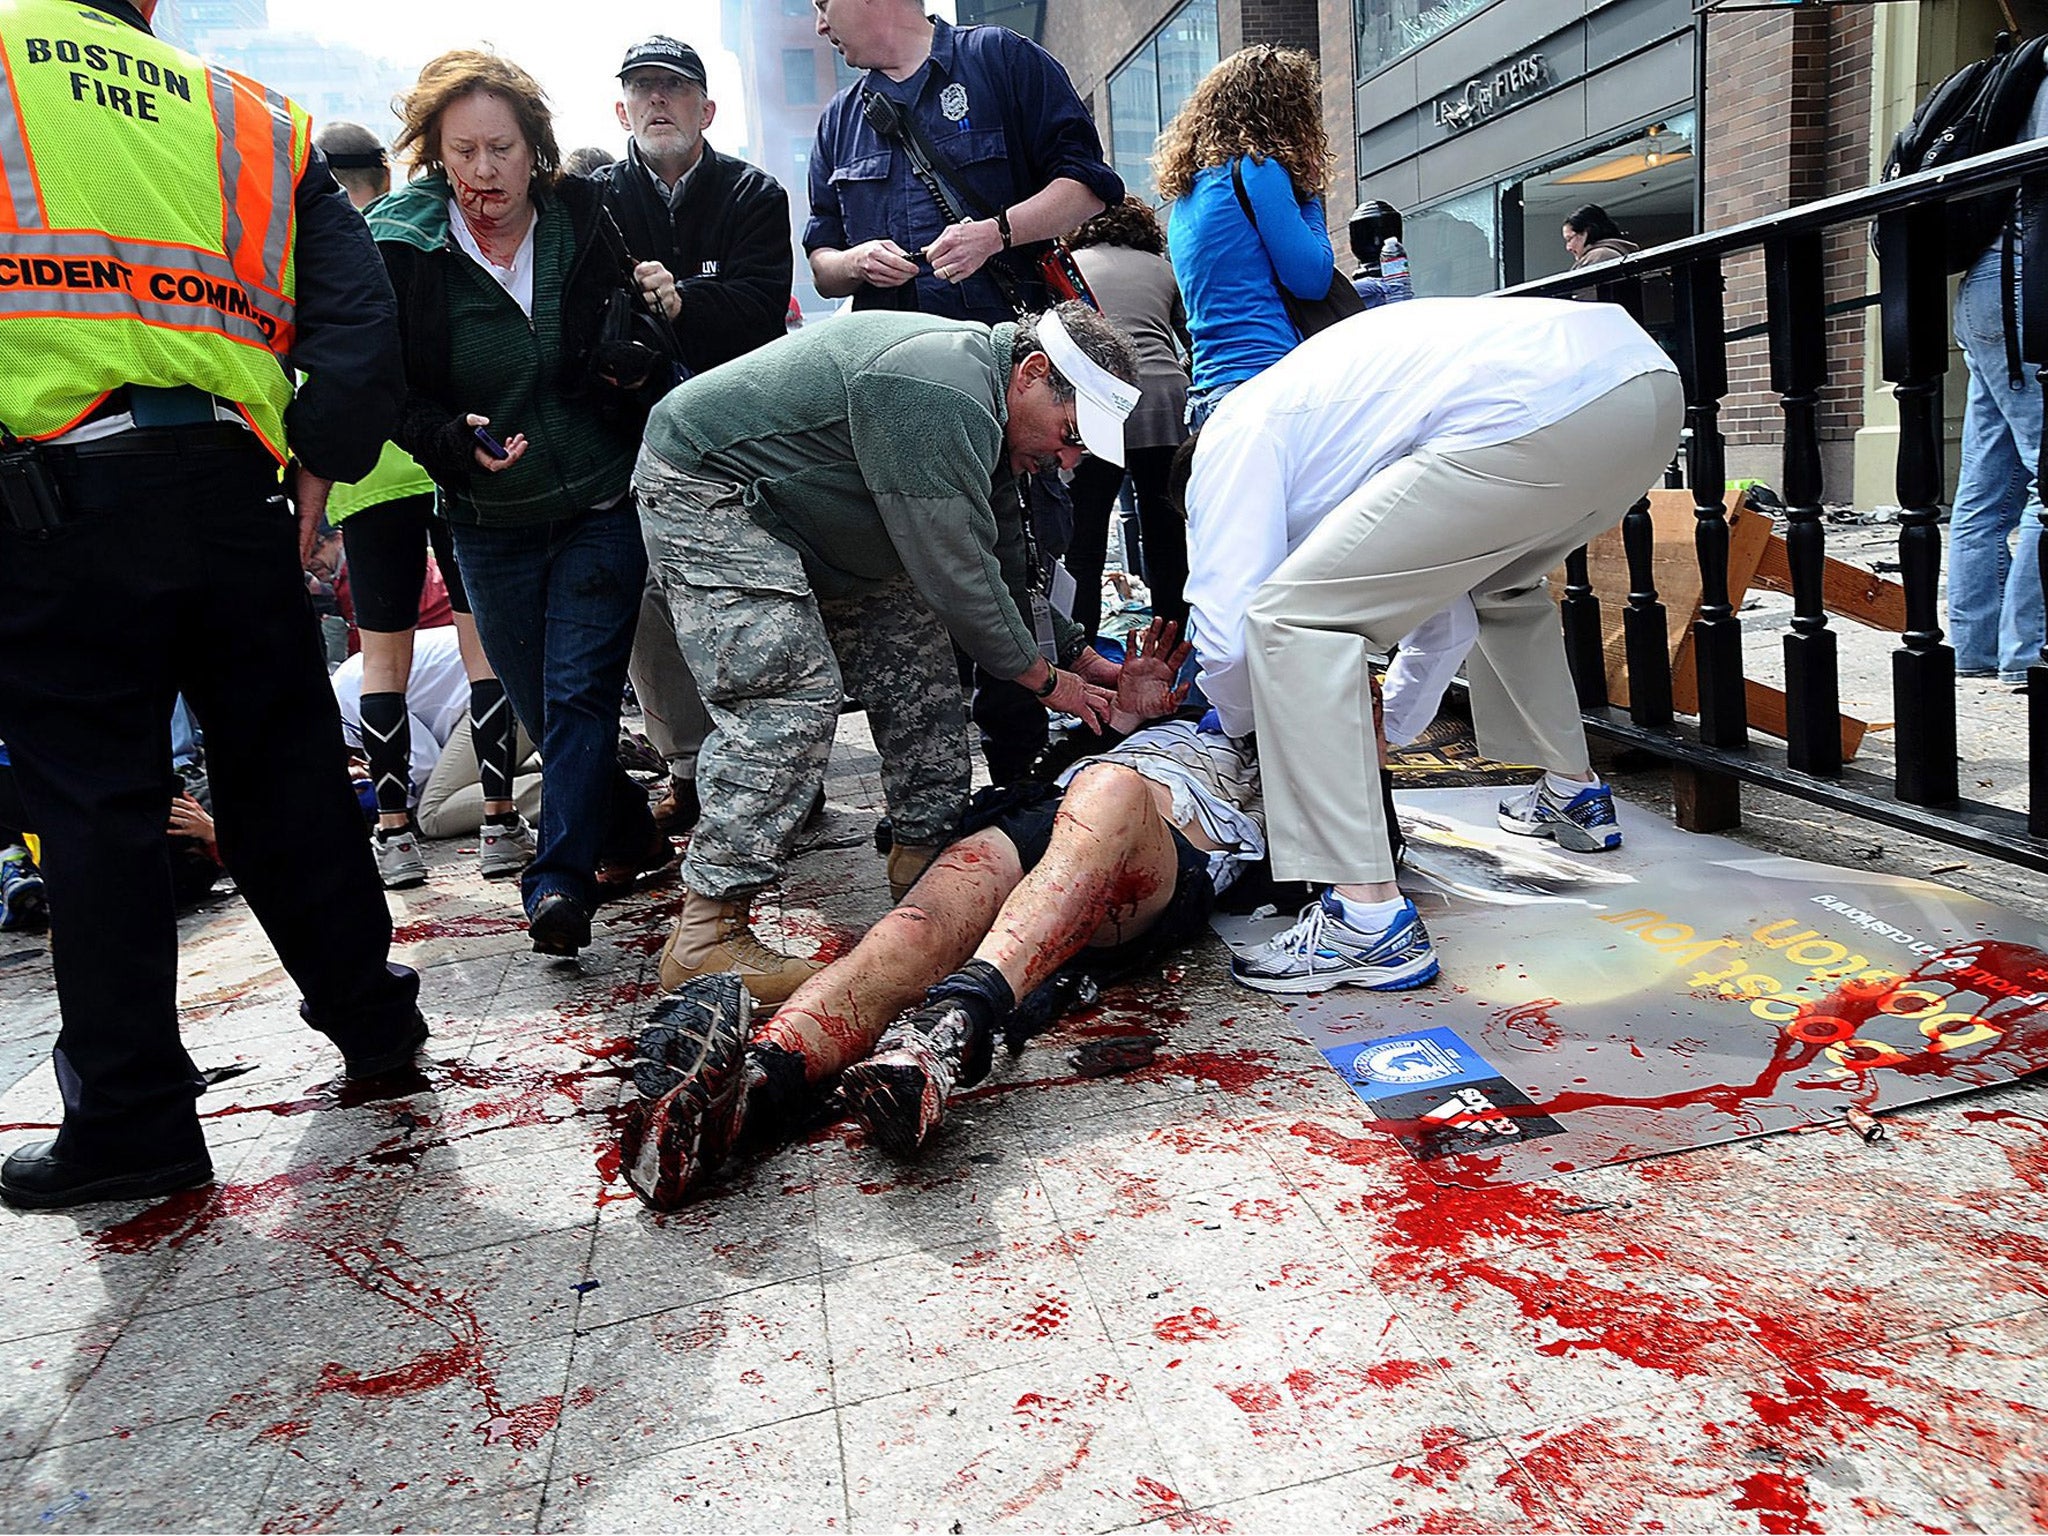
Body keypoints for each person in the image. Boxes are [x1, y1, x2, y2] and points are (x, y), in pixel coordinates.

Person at [0, 0, 428, 1209]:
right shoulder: (246, 113)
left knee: (95, 808)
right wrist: (320, 459)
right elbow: (357, 319)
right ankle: (373, 1025)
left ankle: (134, 1116)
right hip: (233, 488)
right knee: (285, 772)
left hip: (53, 498)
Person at [615, 621, 1263, 1207]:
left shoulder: (1287, 727)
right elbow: (1058, 758)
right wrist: (1127, 715)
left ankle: (951, 1028)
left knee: (1110, 788)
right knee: (915, 930)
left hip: (1157, 848)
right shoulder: (1174, 708)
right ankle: (748, 1094)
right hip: (1049, 811)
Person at [632, 301, 1141, 1006]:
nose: (1068, 458)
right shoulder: (940, 391)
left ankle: (927, 870)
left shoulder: (989, 409)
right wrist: (1042, 678)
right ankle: (707, 933)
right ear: (1031, 374)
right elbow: (955, 571)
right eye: (1071, 432)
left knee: (922, 681)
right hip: (712, 490)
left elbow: (999, 554)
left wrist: (1078, 654)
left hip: (815, 509)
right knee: (788, 699)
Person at [1183, 298, 1683, 993]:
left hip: (1537, 405)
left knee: (1295, 621)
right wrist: (1391, 728)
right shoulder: (1333, 444)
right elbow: (1448, 621)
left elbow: (1236, 635)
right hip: (1643, 389)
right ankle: (1575, 796)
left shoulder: (1227, 440)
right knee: (1501, 591)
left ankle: (1367, 925)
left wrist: (1243, 724)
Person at [371, 50, 674, 958]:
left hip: (598, 498)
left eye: (500, 149)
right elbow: (388, 388)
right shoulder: (400, 243)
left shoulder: (583, 213)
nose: (482, 173)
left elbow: (637, 317)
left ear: (533, 148)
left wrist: (646, 324)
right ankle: (628, 832)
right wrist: (448, 441)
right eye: (461, 152)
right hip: (485, 519)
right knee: (541, 703)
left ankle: (557, 883)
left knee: (579, 693)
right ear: (434, 153)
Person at [805, 0, 1124, 783]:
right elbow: (818, 257)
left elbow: (1090, 187)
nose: (819, 24)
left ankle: (1023, 774)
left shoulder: (1002, 62)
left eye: (820, 4)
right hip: (898, 412)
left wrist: (998, 229)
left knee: (1024, 566)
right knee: (913, 591)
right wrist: (854, 264)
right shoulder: (839, 120)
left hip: (1014, 392)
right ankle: (932, 794)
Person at [314, 121, 531, 891]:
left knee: (383, 660)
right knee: (483, 648)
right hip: (445, 455)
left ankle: (396, 835)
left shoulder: (319, 248)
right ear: (383, 167)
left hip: (366, 476)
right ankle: (502, 821)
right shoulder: (419, 228)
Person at [595, 35, 795, 837]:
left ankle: (781, 766)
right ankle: (688, 767)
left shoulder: (753, 193)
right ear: (621, 108)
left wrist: (680, 301)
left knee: (756, 599)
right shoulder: (594, 197)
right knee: (650, 604)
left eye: (672, 89)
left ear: (706, 108)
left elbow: (758, 307)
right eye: (641, 88)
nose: (656, 102)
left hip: (741, 438)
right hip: (633, 439)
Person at [1157, 46, 1338, 431]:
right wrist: (1309, 197)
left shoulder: (1186, 197)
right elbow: (1311, 278)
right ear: (1289, 114)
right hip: (1266, 387)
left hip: (1208, 394)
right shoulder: (1259, 172)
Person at [1948, 77, 2048, 685]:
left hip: (1988, 284)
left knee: (1986, 485)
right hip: (2024, 280)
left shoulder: (2021, 76)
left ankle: (1976, 648)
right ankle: (2027, 652)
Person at [1064, 197, 1191, 636]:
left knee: (1085, 538)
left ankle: (1083, 649)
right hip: (1163, 403)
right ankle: (1173, 644)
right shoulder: (1163, 269)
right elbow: (1189, 337)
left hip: (1098, 404)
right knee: (1167, 538)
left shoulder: (1069, 266)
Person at [330, 626, 542, 839]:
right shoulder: (341, 684)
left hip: (504, 696)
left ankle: (568, 792)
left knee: (432, 814)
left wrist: (384, 801)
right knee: (456, 784)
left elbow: (423, 763)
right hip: (510, 685)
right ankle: (558, 772)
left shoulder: (344, 700)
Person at [1562, 204, 1639, 269]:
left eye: (1569, 239)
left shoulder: (1599, 257)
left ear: (1586, 232)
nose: (1568, 248)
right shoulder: (1612, 253)